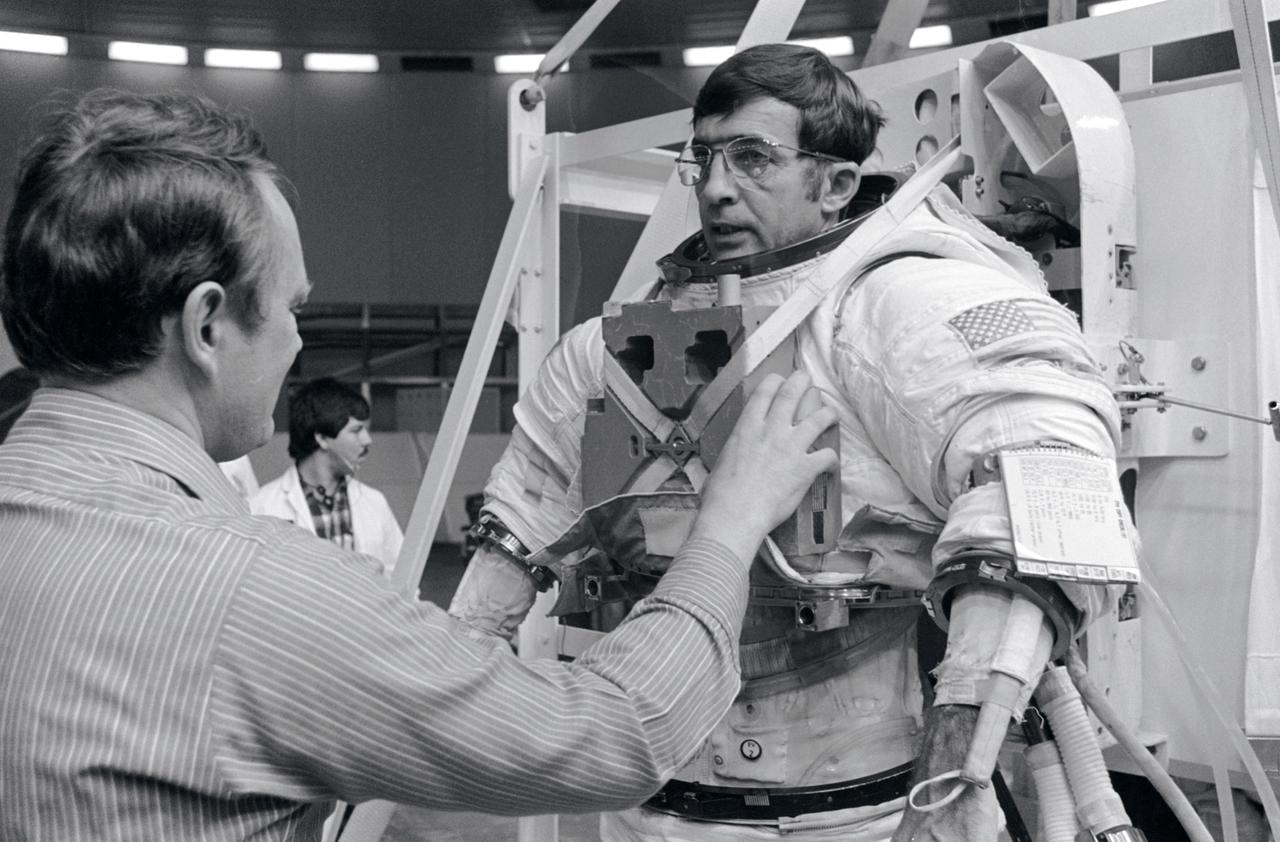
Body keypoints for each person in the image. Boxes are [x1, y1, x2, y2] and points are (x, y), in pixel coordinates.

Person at [0, 88, 840, 841]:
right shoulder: (254, 592)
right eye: (293, 309)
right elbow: (615, 734)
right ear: (207, 326)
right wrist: (728, 526)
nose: (296, 342)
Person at [448, 43, 1132, 841]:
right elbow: (521, 518)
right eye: (703, 158)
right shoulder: (607, 350)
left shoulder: (899, 305)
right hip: (647, 811)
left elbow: (1047, 496)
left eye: (752, 158)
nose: (715, 187)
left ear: (835, 183)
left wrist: (952, 785)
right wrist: (445, 702)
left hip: (863, 820)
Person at [251, 376, 403, 571]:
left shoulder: (374, 502)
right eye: (356, 430)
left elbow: (399, 575)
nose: (367, 440)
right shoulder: (261, 507)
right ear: (322, 438)